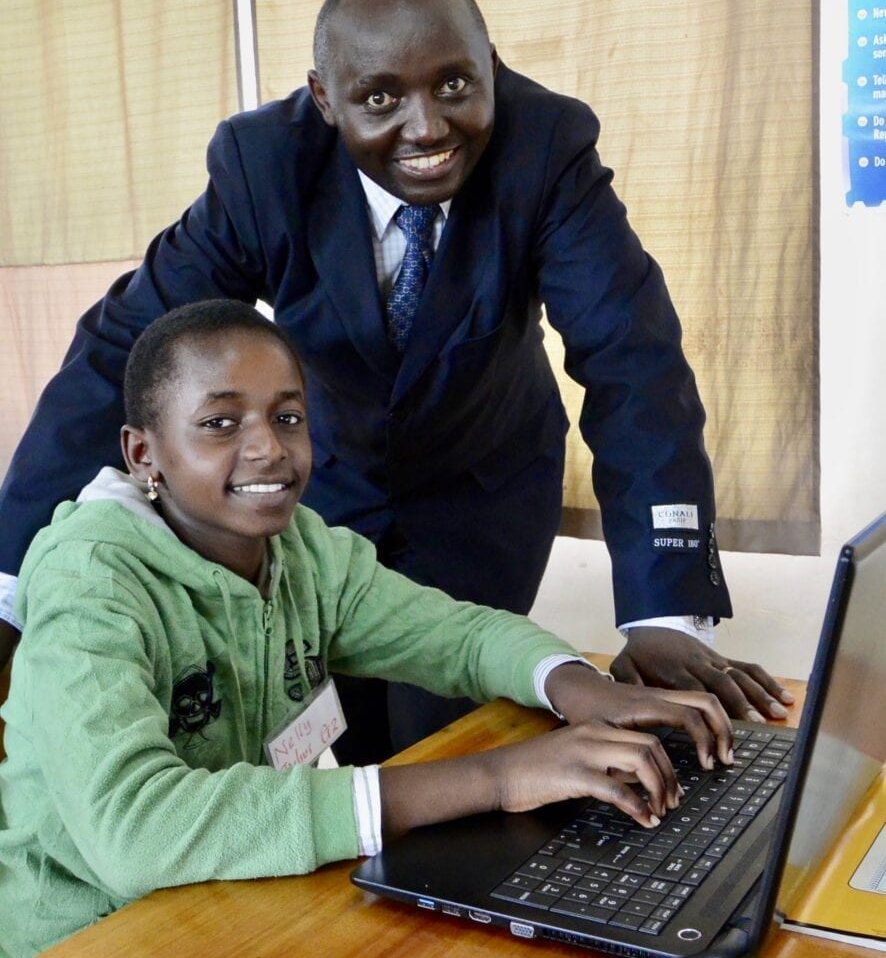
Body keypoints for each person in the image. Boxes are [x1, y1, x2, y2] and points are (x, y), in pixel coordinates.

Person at [0, 0, 793, 762]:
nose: (425, 128)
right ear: (324, 99)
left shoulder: (547, 147)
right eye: (380, 98)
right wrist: (6, 584)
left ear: (490, 63)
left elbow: (634, 363)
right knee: (312, 741)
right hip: (324, 495)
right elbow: (123, 350)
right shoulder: (263, 167)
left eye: (455, 86)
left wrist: (663, 613)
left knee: (451, 739)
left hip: (482, 493)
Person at [0, 300, 735, 957]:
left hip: (225, 896)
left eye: (287, 417)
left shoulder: (302, 549)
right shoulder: (88, 581)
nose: (267, 449)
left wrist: (576, 684)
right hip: (93, 927)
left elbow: (457, 635)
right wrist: (498, 777)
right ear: (143, 454)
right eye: (219, 423)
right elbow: (138, 831)